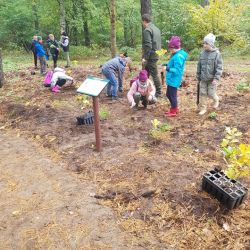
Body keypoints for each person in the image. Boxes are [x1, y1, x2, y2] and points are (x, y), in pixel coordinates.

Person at [196, 33, 223, 115]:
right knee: (202, 93)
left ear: (211, 44)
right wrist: (198, 75)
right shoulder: (202, 54)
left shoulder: (217, 54)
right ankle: (203, 108)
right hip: (203, 78)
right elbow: (199, 65)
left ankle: (216, 99)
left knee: (211, 94)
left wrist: (216, 78)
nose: (204, 45)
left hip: (212, 79)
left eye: (206, 43)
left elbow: (219, 67)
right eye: (204, 43)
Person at [163, 36, 188, 117]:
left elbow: (177, 70)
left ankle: (174, 110)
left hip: (174, 79)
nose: (170, 50)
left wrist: (167, 68)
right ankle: (174, 108)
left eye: (171, 48)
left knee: (172, 96)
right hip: (171, 79)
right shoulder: (176, 54)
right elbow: (173, 64)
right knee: (168, 94)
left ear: (175, 47)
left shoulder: (178, 56)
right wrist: (167, 65)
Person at [141, 14, 162, 97]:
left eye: (142, 21)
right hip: (156, 54)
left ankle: (159, 92)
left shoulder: (147, 30)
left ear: (144, 21)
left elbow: (148, 45)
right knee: (145, 73)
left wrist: (145, 58)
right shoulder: (156, 29)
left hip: (150, 56)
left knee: (154, 74)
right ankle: (143, 89)